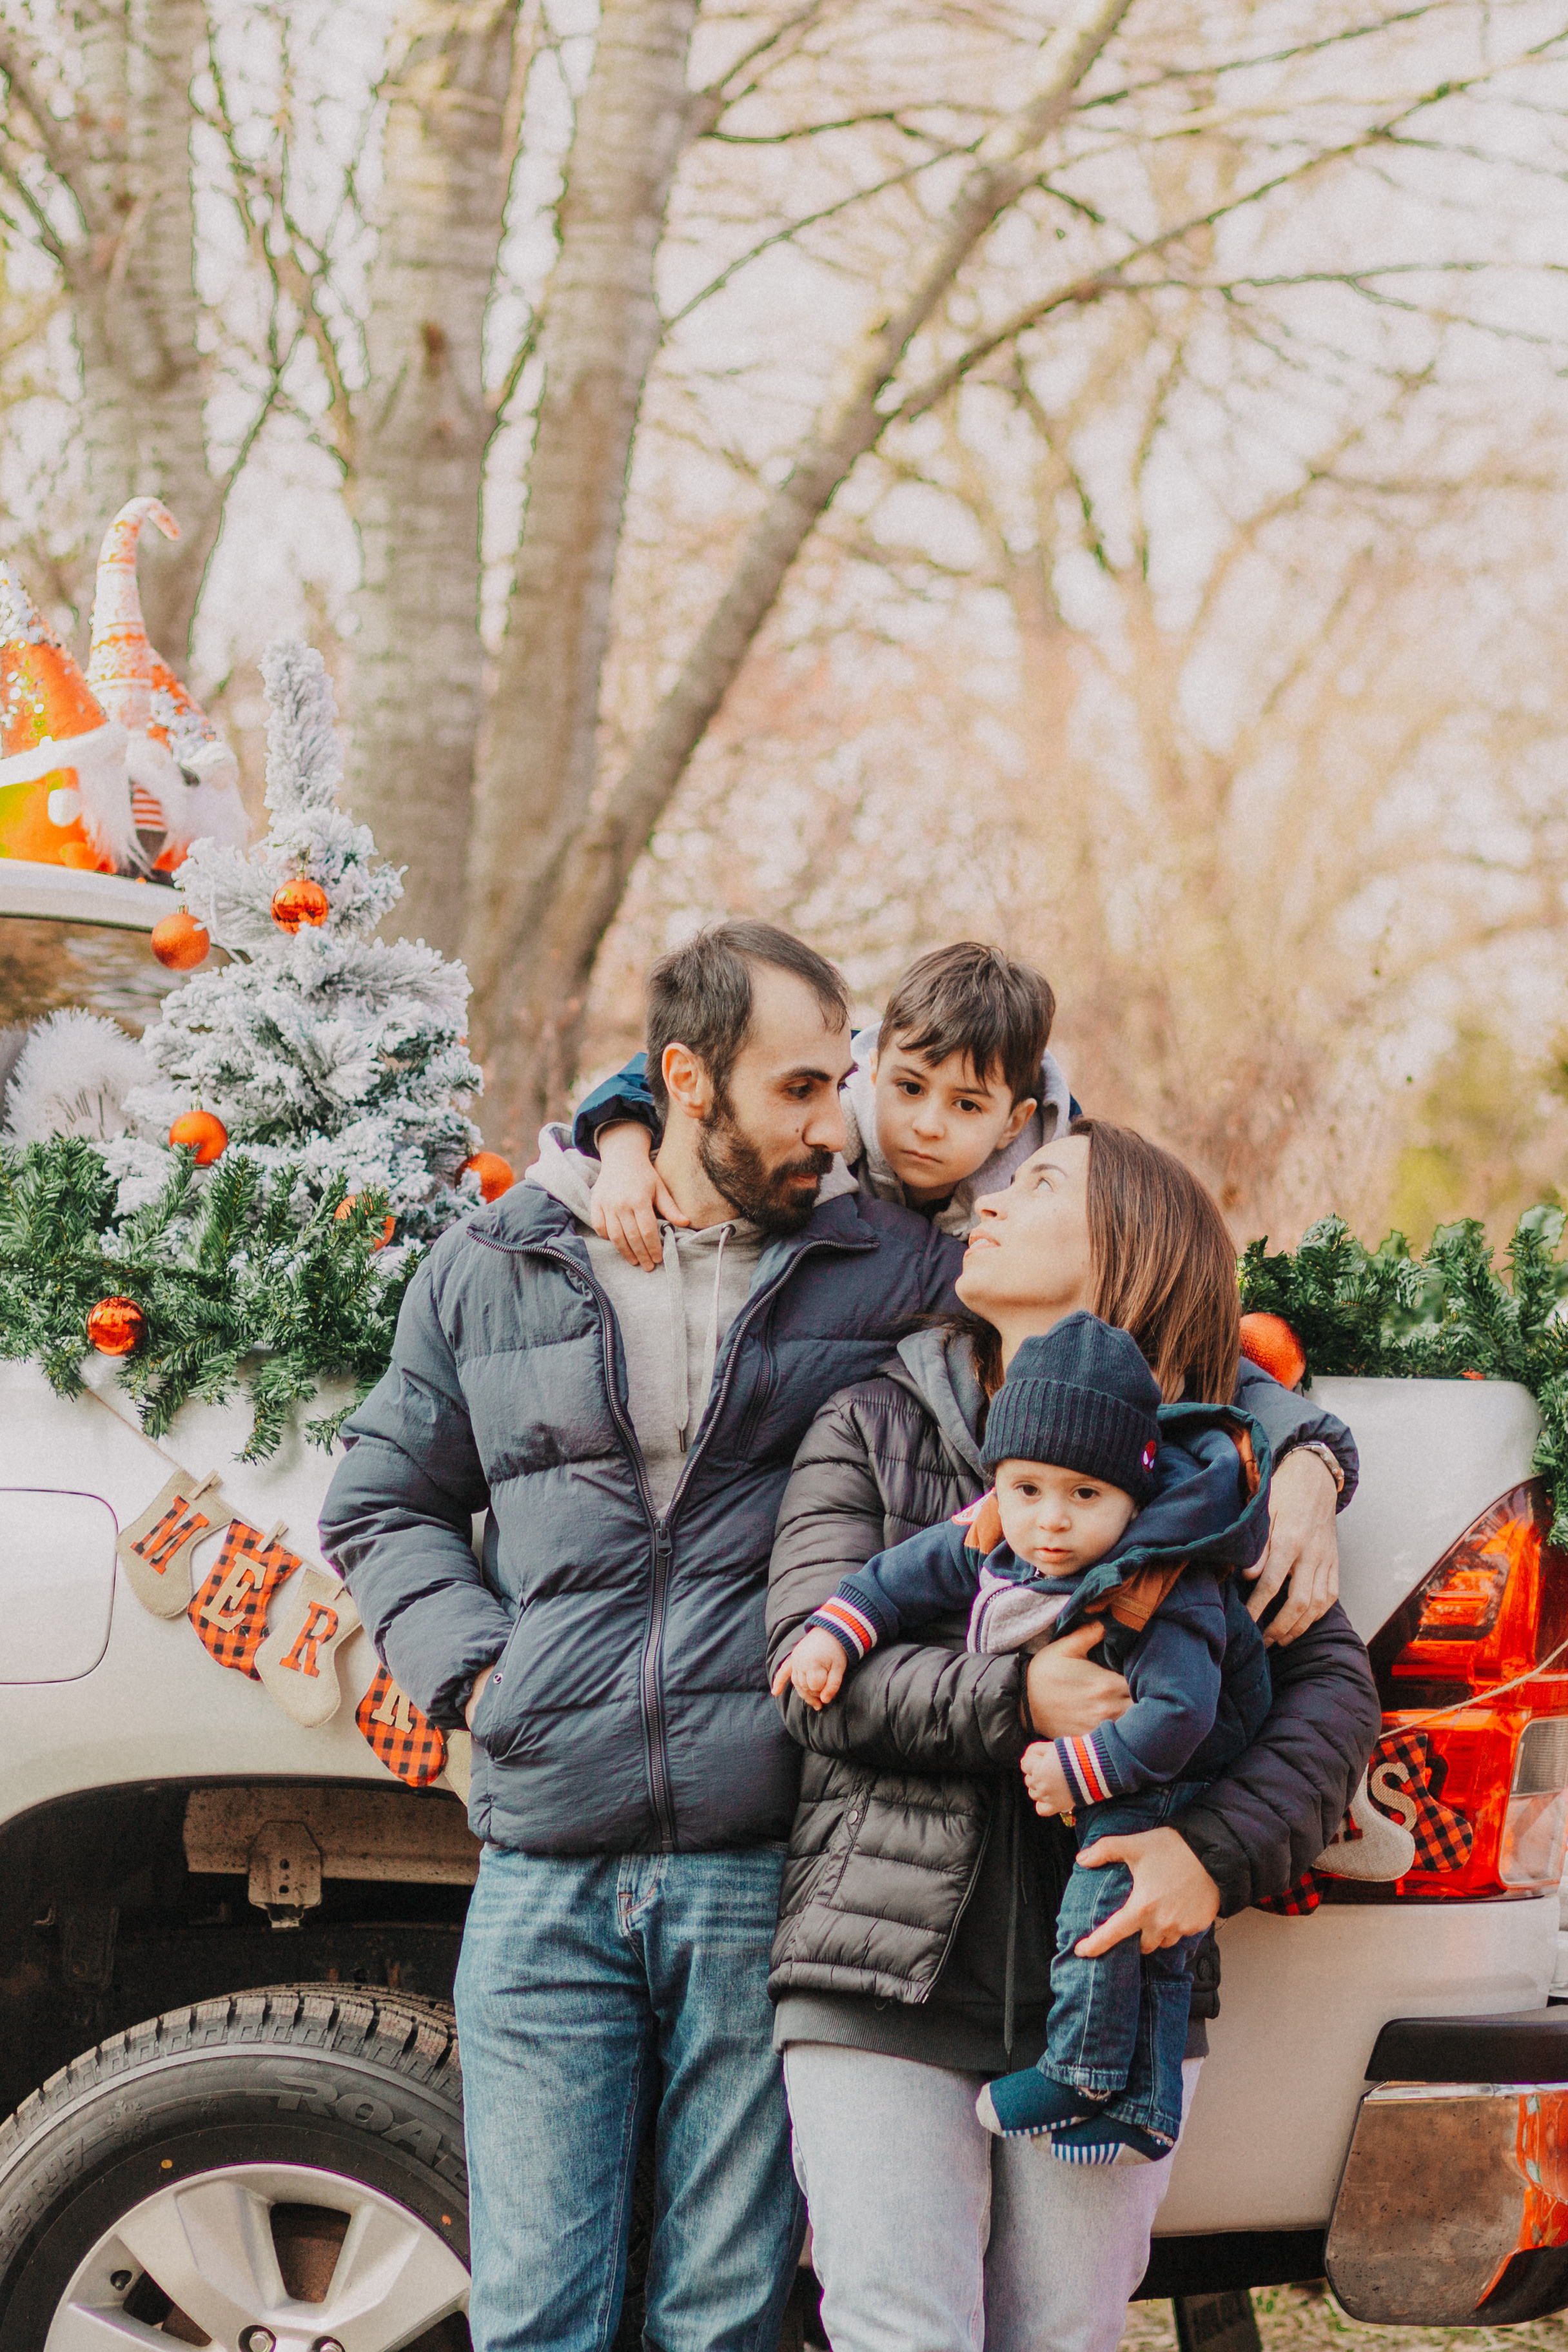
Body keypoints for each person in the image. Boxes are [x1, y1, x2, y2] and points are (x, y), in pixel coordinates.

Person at [319, 921, 967, 2352]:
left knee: (723, 2312)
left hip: (762, 1856)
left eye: (834, 1082)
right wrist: (486, 1679)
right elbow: (381, 1500)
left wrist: (1296, 1451)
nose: (833, 1120)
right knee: (538, 2310)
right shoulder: (496, 1262)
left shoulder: (893, 1265)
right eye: (797, 1088)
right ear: (687, 1079)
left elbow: (1124, 1322)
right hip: (544, 1862)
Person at [767, 1118, 1382, 2352]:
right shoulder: (874, 1422)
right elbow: (810, 1674)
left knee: (1063, 2329)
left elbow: (1331, 1702)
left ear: (1128, 1252)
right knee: (898, 2326)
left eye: (1036, 1180)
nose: (987, 1195)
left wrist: (1206, 1857)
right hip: (882, 1963)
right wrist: (1021, 1701)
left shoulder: (1212, 1483)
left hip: (1114, 1990)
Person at [774, 1309, 1273, 2159]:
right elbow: (899, 1577)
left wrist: (1082, 1767)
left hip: (1169, 1766)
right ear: (999, 1484)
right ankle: (1145, 2106)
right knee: (1147, 1948)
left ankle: (1082, 2070)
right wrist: (835, 1633)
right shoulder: (1001, 1539)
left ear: (1134, 1496)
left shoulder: (1164, 1582)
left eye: (1087, 1496)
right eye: (1029, 1489)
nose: (1051, 1521)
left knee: (1107, 1903)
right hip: (1112, 1761)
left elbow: (1182, 1714)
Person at [575, 939, 1072, 1266]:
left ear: (1014, 1123)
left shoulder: (1049, 1188)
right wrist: (622, 1156)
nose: (928, 1126)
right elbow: (667, 1070)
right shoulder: (841, 1084)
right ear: (874, 1071)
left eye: (966, 1107)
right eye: (910, 1090)